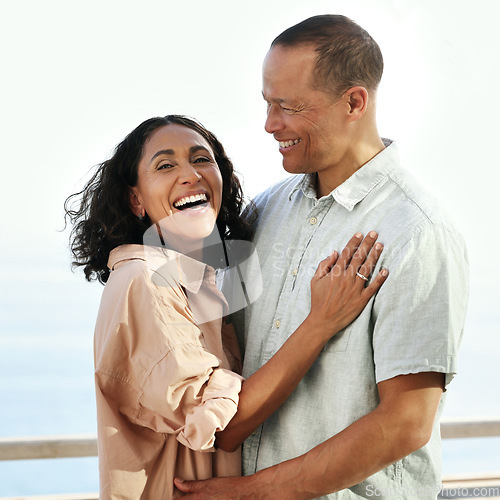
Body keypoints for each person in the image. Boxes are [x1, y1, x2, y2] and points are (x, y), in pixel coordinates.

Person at [174, 15, 469, 500]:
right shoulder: (263, 211)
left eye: (288, 107)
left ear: (354, 101)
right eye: (267, 104)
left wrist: (252, 491)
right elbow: (217, 351)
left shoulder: (418, 232)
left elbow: (405, 425)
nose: (270, 125)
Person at [64, 114, 388, 499]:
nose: (190, 175)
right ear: (136, 199)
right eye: (165, 165)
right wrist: (320, 323)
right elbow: (225, 426)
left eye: (202, 160)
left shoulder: (198, 281)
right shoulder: (144, 281)